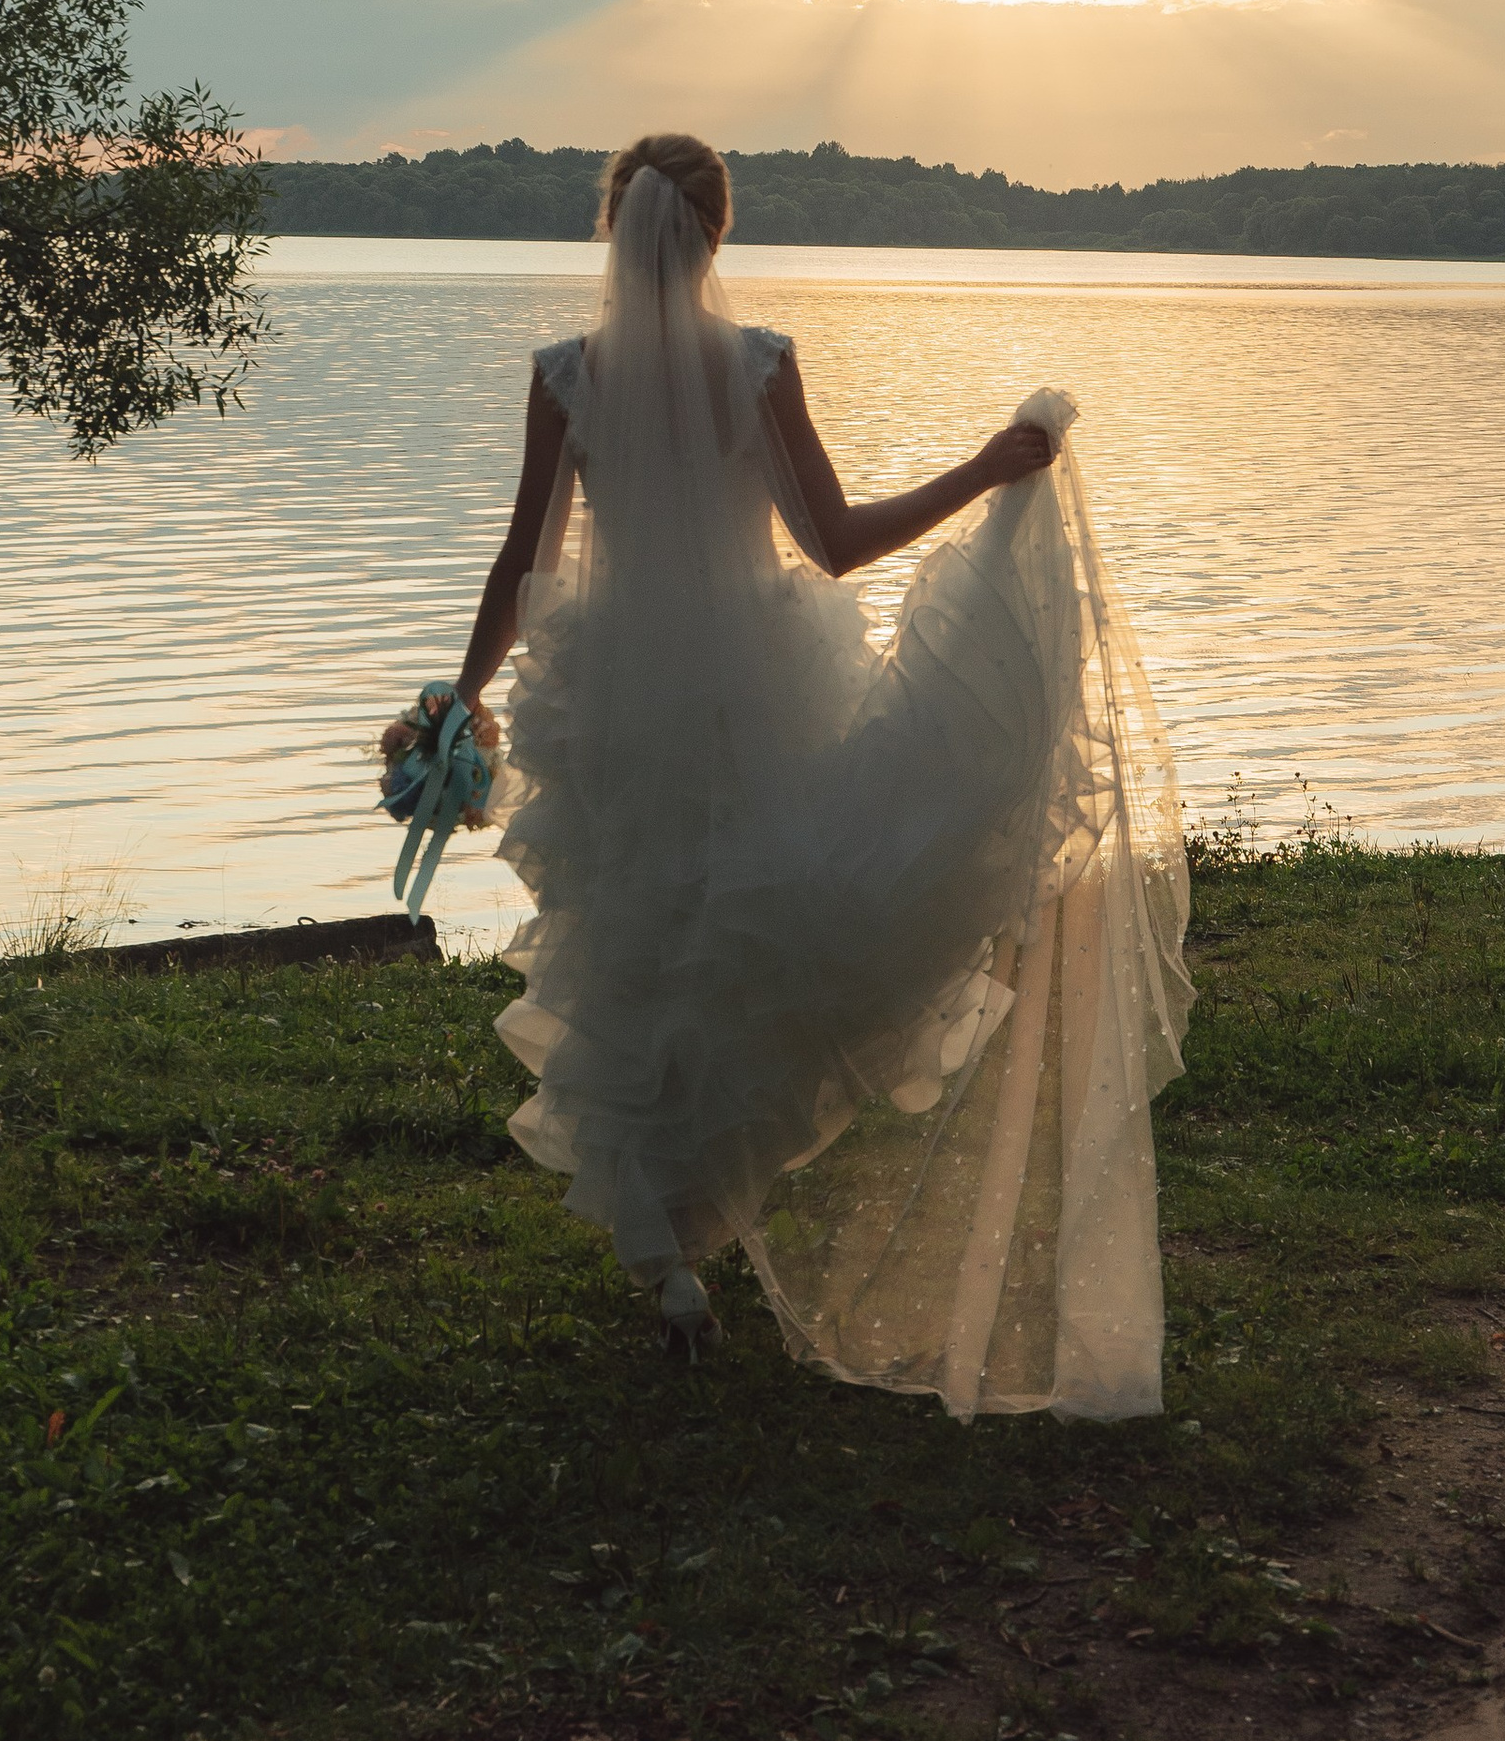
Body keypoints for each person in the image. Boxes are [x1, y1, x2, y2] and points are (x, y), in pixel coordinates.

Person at [448, 130, 1192, 1421]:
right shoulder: (758, 367)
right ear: (719, 235)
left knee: (632, 948)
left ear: (616, 233)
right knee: (758, 932)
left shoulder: (565, 379)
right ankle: (687, 1223)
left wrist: (458, 697)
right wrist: (981, 472)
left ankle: (664, 1246)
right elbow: (839, 546)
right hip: (754, 681)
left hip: (613, 695)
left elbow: (526, 566)